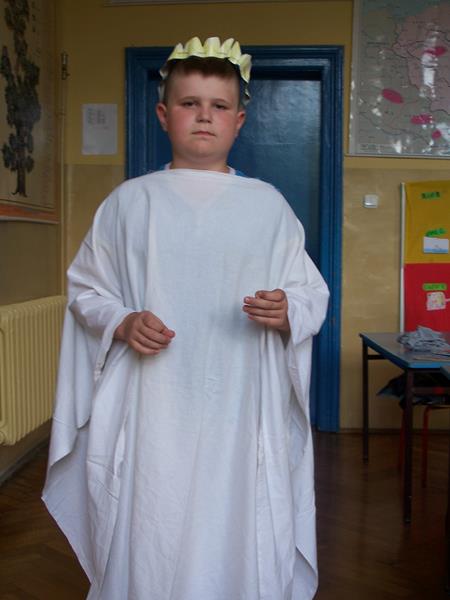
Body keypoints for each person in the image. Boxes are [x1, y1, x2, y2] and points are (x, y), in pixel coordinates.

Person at [43, 36, 329, 600]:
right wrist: (123, 321)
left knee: (235, 508)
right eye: (189, 103)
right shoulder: (130, 203)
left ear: (239, 120)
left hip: (240, 402)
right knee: (153, 510)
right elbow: (87, 289)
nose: (204, 116)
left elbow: (308, 292)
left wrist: (286, 309)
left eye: (219, 106)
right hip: (152, 403)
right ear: (162, 113)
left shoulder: (268, 207)